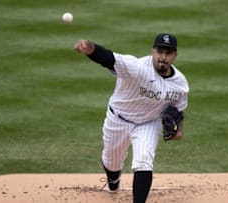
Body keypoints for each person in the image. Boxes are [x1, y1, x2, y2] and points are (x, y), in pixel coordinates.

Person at [74, 33, 189, 203]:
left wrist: (178, 131)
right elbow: (109, 58)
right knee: (112, 161)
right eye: (160, 52)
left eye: (168, 53)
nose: (163, 57)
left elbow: (178, 110)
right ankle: (113, 180)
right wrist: (90, 48)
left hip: (148, 123)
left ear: (175, 55)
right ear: (153, 52)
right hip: (118, 119)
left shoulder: (180, 84)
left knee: (144, 162)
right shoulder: (137, 67)